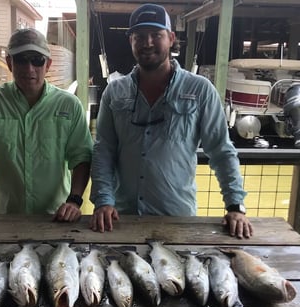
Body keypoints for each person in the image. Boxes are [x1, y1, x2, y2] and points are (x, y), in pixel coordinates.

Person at [89, 3, 253, 238]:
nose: (147, 43)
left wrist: (235, 205)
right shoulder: (114, 92)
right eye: (139, 36)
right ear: (130, 41)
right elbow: (103, 150)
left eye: (156, 35)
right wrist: (103, 200)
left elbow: (221, 150)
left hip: (178, 218)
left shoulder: (200, 90)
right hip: (122, 218)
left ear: (171, 38)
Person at [0, 28, 93, 223]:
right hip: (6, 219)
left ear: (48, 64)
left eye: (37, 60)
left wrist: (74, 201)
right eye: (21, 59)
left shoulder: (69, 105)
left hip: (56, 218)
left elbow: (81, 156)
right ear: (9, 63)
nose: (29, 68)